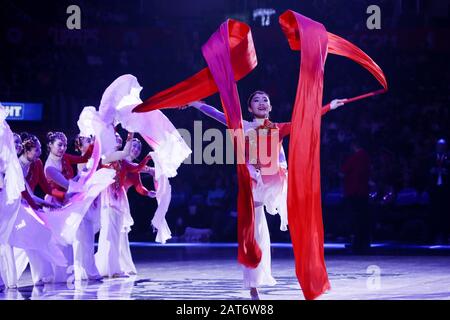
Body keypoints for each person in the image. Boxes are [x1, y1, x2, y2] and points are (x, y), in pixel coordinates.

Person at [184, 90, 345, 299]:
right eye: (256, 100)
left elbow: (306, 119)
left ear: (270, 107)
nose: (261, 103)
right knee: (257, 233)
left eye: (265, 100)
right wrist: (194, 103)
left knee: (301, 218)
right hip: (257, 184)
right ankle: (254, 284)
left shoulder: (278, 128)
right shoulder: (244, 126)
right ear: (250, 108)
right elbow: (216, 114)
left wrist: (329, 106)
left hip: (279, 184)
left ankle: (311, 271)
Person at [340, 137, 371, 253]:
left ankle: (358, 245)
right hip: (362, 191)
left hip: (355, 191)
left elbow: (344, 170)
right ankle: (363, 244)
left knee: (357, 219)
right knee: (363, 218)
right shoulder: (366, 157)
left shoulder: (356, 157)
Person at [427, 138, 450, 244]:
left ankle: (445, 234)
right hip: (434, 189)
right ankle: (434, 234)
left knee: (445, 211)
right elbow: (426, 171)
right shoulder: (431, 157)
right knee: (434, 211)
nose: (440, 148)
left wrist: (445, 171)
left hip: (446, 189)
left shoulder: (448, 157)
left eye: (442, 146)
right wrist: (432, 171)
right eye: (439, 146)